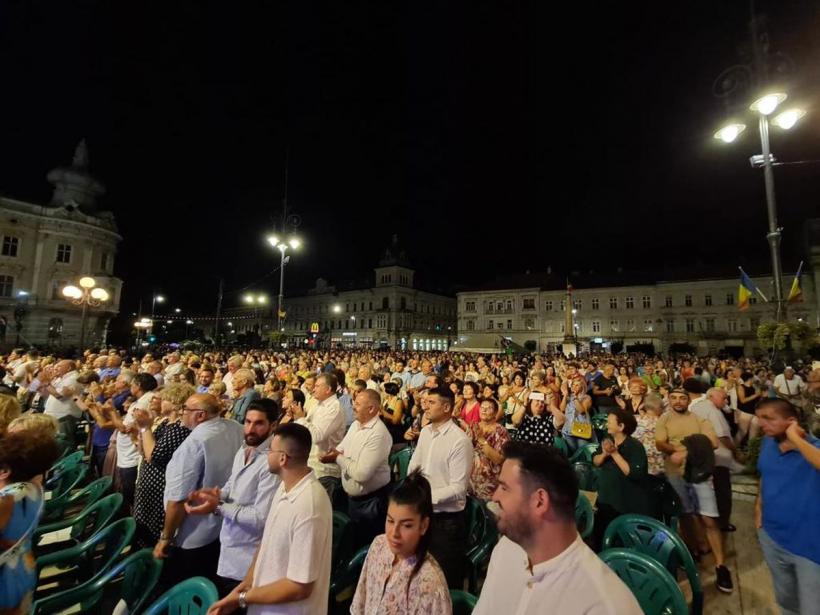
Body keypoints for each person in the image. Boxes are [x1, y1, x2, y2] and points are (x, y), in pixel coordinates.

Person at [473, 442, 641, 614]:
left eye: (504, 488)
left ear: (540, 501)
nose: (495, 496)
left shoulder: (605, 606)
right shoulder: (506, 550)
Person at [207, 423, 332, 615]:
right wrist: (247, 584)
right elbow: (267, 540)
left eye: (270, 450)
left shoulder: (309, 506)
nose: (266, 455)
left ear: (282, 458)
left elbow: (300, 586)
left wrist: (242, 599)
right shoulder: (284, 486)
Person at [185, 398, 282, 597]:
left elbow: (260, 518)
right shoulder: (244, 448)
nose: (250, 429)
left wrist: (218, 506)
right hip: (230, 544)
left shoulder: (271, 462)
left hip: (248, 555)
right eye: (248, 422)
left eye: (259, 423)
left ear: (273, 426)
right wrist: (215, 493)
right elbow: (233, 484)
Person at [154, 393, 244, 590]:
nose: (182, 413)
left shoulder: (194, 443)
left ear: (201, 415)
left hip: (194, 532)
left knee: (187, 586)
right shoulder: (235, 428)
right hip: (223, 525)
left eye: (186, 409)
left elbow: (177, 499)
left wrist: (166, 537)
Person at [655, 387, 733, 593]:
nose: (678, 401)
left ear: (688, 400)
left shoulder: (699, 419)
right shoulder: (664, 419)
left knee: (709, 519)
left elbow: (713, 442)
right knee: (686, 516)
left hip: (700, 474)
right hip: (675, 474)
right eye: (674, 398)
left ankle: (721, 565)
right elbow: (660, 443)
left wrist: (683, 452)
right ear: (669, 400)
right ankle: (693, 551)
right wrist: (693, 447)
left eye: (682, 398)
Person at [351, 471, 452, 615]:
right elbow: (360, 604)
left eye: (406, 525)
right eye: (390, 521)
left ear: (423, 526)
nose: (394, 533)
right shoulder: (379, 545)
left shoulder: (430, 583)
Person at [754, 397, 820, 615]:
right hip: (772, 537)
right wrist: (759, 506)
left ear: (791, 421)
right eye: (759, 418)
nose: (761, 424)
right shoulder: (768, 443)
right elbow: (765, 475)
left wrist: (796, 440)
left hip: (810, 547)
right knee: (786, 601)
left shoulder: (814, 449)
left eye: (768, 418)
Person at [407, 386, 472, 589]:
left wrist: (425, 496)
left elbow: (458, 488)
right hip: (422, 513)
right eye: (425, 402)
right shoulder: (426, 432)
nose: (425, 406)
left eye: (431, 402)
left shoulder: (459, 441)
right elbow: (414, 467)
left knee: (443, 581)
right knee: (420, 577)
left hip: (446, 522)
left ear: (446, 407)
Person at [320, 388, 392, 548]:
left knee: (366, 546)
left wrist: (337, 458)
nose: (353, 406)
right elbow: (341, 449)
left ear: (371, 409)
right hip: (353, 501)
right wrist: (331, 454)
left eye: (358, 404)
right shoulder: (355, 425)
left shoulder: (378, 434)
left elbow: (361, 474)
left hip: (371, 504)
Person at [0, 431, 60, 614]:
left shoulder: (7, 500)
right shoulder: (33, 487)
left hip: (5, 581)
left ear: (4, 471)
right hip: (22, 568)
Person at [131, 383, 194, 547]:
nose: (160, 402)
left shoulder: (180, 428)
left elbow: (154, 456)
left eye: (164, 399)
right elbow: (144, 451)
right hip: (148, 484)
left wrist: (146, 427)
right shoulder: (167, 423)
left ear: (175, 404)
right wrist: (143, 429)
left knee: (152, 533)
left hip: (160, 488)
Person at [592, 408, 651, 548]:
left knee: (620, 540)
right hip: (605, 500)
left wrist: (614, 454)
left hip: (624, 502)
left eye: (610, 422)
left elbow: (633, 473)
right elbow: (595, 461)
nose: (607, 424)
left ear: (621, 426)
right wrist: (604, 454)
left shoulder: (635, 446)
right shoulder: (607, 441)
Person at [290, 373, 346, 503]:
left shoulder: (334, 407)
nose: (313, 389)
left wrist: (301, 418)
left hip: (324, 470)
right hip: (310, 464)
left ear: (328, 389)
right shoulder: (317, 405)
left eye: (317, 386)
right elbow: (306, 429)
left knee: (316, 508)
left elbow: (317, 436)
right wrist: (297, 417)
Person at [468, 398, 509, 501]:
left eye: (489, 408)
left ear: (495, 412)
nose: (484, 410)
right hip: (469, 480)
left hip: (489, 482)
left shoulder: (501, 431)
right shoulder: (473, 426)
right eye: (482, 407)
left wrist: (481, 439)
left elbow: (498, 459)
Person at [555, 377, 594, 454]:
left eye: (577, 385)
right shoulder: (569, 397)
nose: (574, 387)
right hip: (568, 430)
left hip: (582, 430)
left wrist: (575, 397)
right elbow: (562, 409)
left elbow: (581, 411)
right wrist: (565, 395)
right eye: (573, 385)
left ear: (582, 386)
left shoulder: (587, 397)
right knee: (572, 454)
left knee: (582, 453)